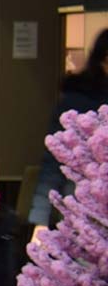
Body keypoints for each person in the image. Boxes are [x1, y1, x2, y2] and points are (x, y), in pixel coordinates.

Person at [30, 29, 108, 228]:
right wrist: (40, 218)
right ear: (104, 61)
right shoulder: (77, 102)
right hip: (84, 213)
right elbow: (54, 162)